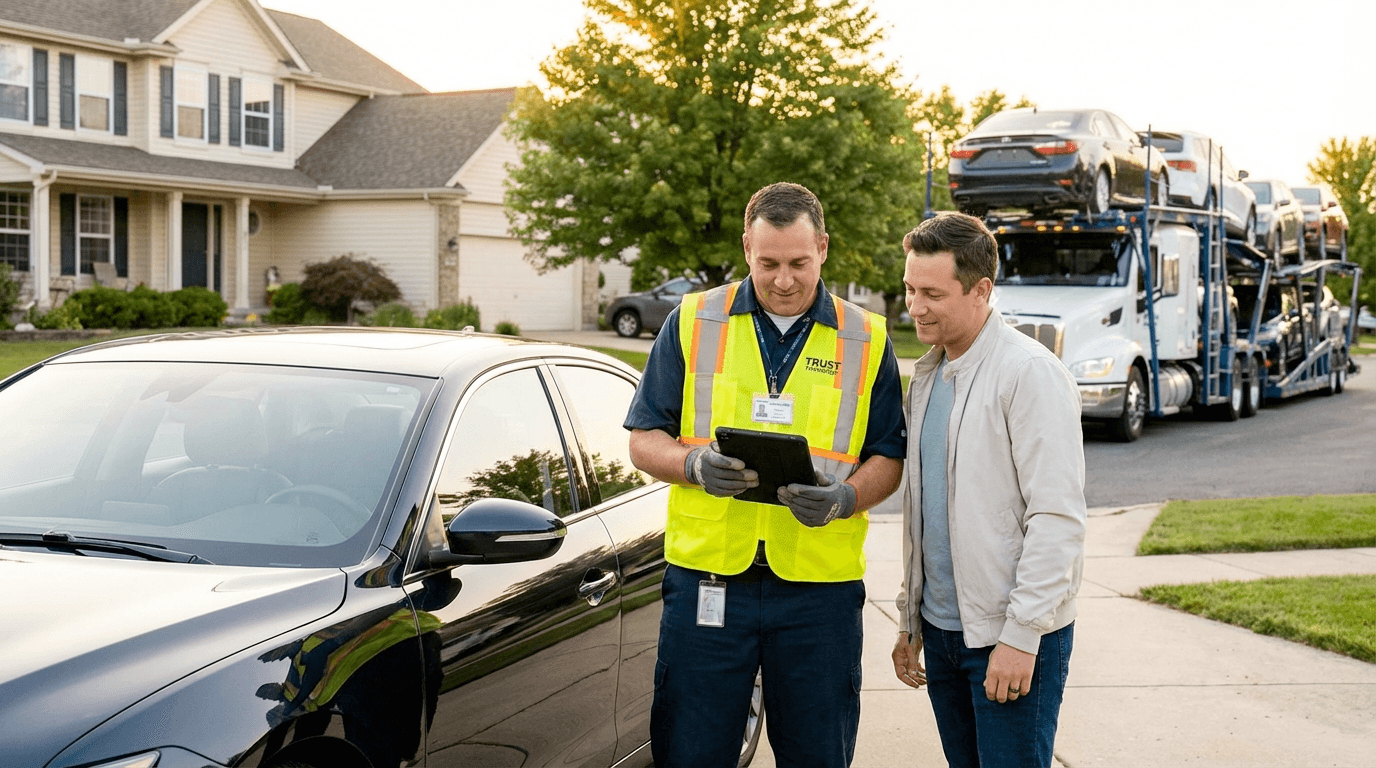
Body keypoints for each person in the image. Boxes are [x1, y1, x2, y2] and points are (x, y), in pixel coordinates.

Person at [625, 182, 907, 768]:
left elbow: (889, 458)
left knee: (817, 753)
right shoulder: (693, 321)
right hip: (708, 580)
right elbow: (644, 438)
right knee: (691, 750)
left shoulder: (868, 337)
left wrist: (846, 497)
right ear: (746, 247)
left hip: (817, 591)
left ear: (823, 248)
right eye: (768, 262)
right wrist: (693, 465)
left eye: (799, 263)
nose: (783, 280)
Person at [890, 212, 1086, 768]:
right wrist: (911, 619)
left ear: (982, 290)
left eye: (932, 293)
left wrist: (1022, 637)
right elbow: (925, 511)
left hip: (1012, 637)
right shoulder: (928, 376)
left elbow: (1057, 518)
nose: (915, 306)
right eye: (909, 289)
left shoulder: (1029, 374)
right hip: (944, 632)